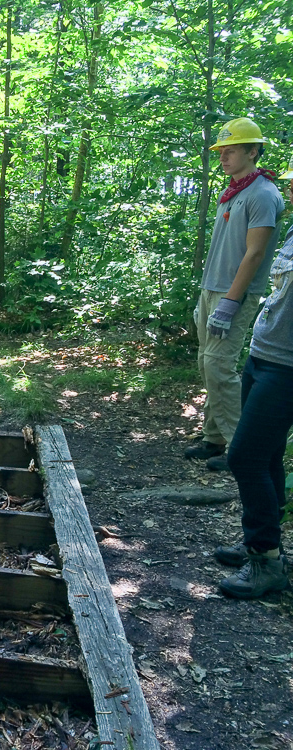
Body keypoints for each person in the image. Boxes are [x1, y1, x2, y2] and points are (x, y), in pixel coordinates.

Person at [186, 117, 286, 471]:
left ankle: (238, 446)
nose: (224, 157)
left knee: (219, 365)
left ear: (253, 151)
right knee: (206, 363)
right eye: (221, 152)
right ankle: (213, 437)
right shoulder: (234, 191)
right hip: (210, 289)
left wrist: (231, 301)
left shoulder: (263, 194)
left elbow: (255, 253)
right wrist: (211, 295)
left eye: (231, 151)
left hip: (234, 295)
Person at [213, 157, 293, 598]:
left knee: (243, 456)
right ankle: (264, 544)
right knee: (265, 456)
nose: (291, 192)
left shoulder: (265, 200)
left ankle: (266, 562)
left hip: (288, 367)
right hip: (264, 355)